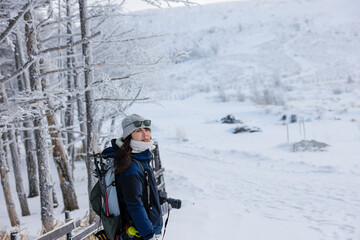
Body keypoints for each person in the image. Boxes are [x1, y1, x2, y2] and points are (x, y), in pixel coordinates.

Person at [101, 114, 163, 240]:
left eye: (147, 130)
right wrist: (148, 234)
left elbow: (143, 194)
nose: (145, 134)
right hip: (138, 234)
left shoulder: (140, 157)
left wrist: (163, 199)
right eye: (138, 131)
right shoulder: (130, 166)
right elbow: (134, 204)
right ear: (129, 136)